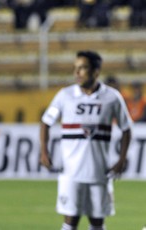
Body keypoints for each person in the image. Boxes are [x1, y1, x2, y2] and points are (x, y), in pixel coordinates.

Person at [40, 50, 132, 230]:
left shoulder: (112, 97)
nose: (77, 73)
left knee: (97, 222)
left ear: (96, 72)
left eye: (83, 68)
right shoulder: (65, 95)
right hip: (70, 172)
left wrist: (121, 159)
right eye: (75, 68)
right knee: (70, 220)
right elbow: (45, 122)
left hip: (100, 172)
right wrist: (44, 151)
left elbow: (126, 129)